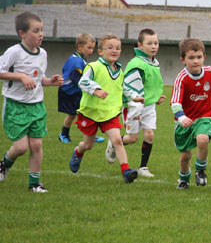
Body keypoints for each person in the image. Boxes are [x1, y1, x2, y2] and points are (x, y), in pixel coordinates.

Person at [0, 11, 63, 192]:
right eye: (36, 31)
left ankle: (34, 183)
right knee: (20, 148)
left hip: (37, 106)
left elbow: (39, 78)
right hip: (15, 105)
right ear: (22, 34)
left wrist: (50, 81)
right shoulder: (14, 52)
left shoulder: (42, 53)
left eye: (41, 30)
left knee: (36, 144)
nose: (41, 34)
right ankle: (4, 164)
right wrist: (20, 76)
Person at [69, 34, 138, 183]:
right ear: (100, 51)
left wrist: (134, 97)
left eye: (118, 48)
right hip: (91, 113)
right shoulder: (94, 67)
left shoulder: (119, 70)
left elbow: (123, 88)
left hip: (110, 113)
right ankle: (78, 152)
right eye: (110, 48)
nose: (115, 50)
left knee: (117, 141)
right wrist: (96, 90)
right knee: (88, 145)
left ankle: (126, 171)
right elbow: (82, 82)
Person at [107, 28, 166, 178]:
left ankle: (143, 167)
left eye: (156, 43)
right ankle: (115, 142)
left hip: (149, 106)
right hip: (134, 106)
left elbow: (150, 85)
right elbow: (129, 85)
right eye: (150, 43)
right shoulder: (136, 63)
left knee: (149, 135)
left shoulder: (154, 63)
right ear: (140, 46)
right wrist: (134, 99)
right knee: (132, 138)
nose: (154, 46)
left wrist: (155, 98)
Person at [170, 38, 211, 189]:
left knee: (203, 139)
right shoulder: (182, 78)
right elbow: (175, 102)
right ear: (183, 60)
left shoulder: (209, 72)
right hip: (185, 120)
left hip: (204, 115)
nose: (196, 61)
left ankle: (200, 170)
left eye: (199, 57)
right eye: (191, 58)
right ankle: (183, 179)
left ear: (204, 57)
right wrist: (182, 117)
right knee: (185, 156)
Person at [58, 33, 104, 144]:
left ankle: (90, 135)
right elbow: (76, 78)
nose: (91, 51)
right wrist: (91, 87)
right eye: (89, 48)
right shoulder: (77, 61)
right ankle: (64, 134)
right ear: (79, 47)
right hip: (69, 92)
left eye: (93, 48)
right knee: (73, 114)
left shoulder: (79, 59)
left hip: (75, 91)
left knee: (85, 112)